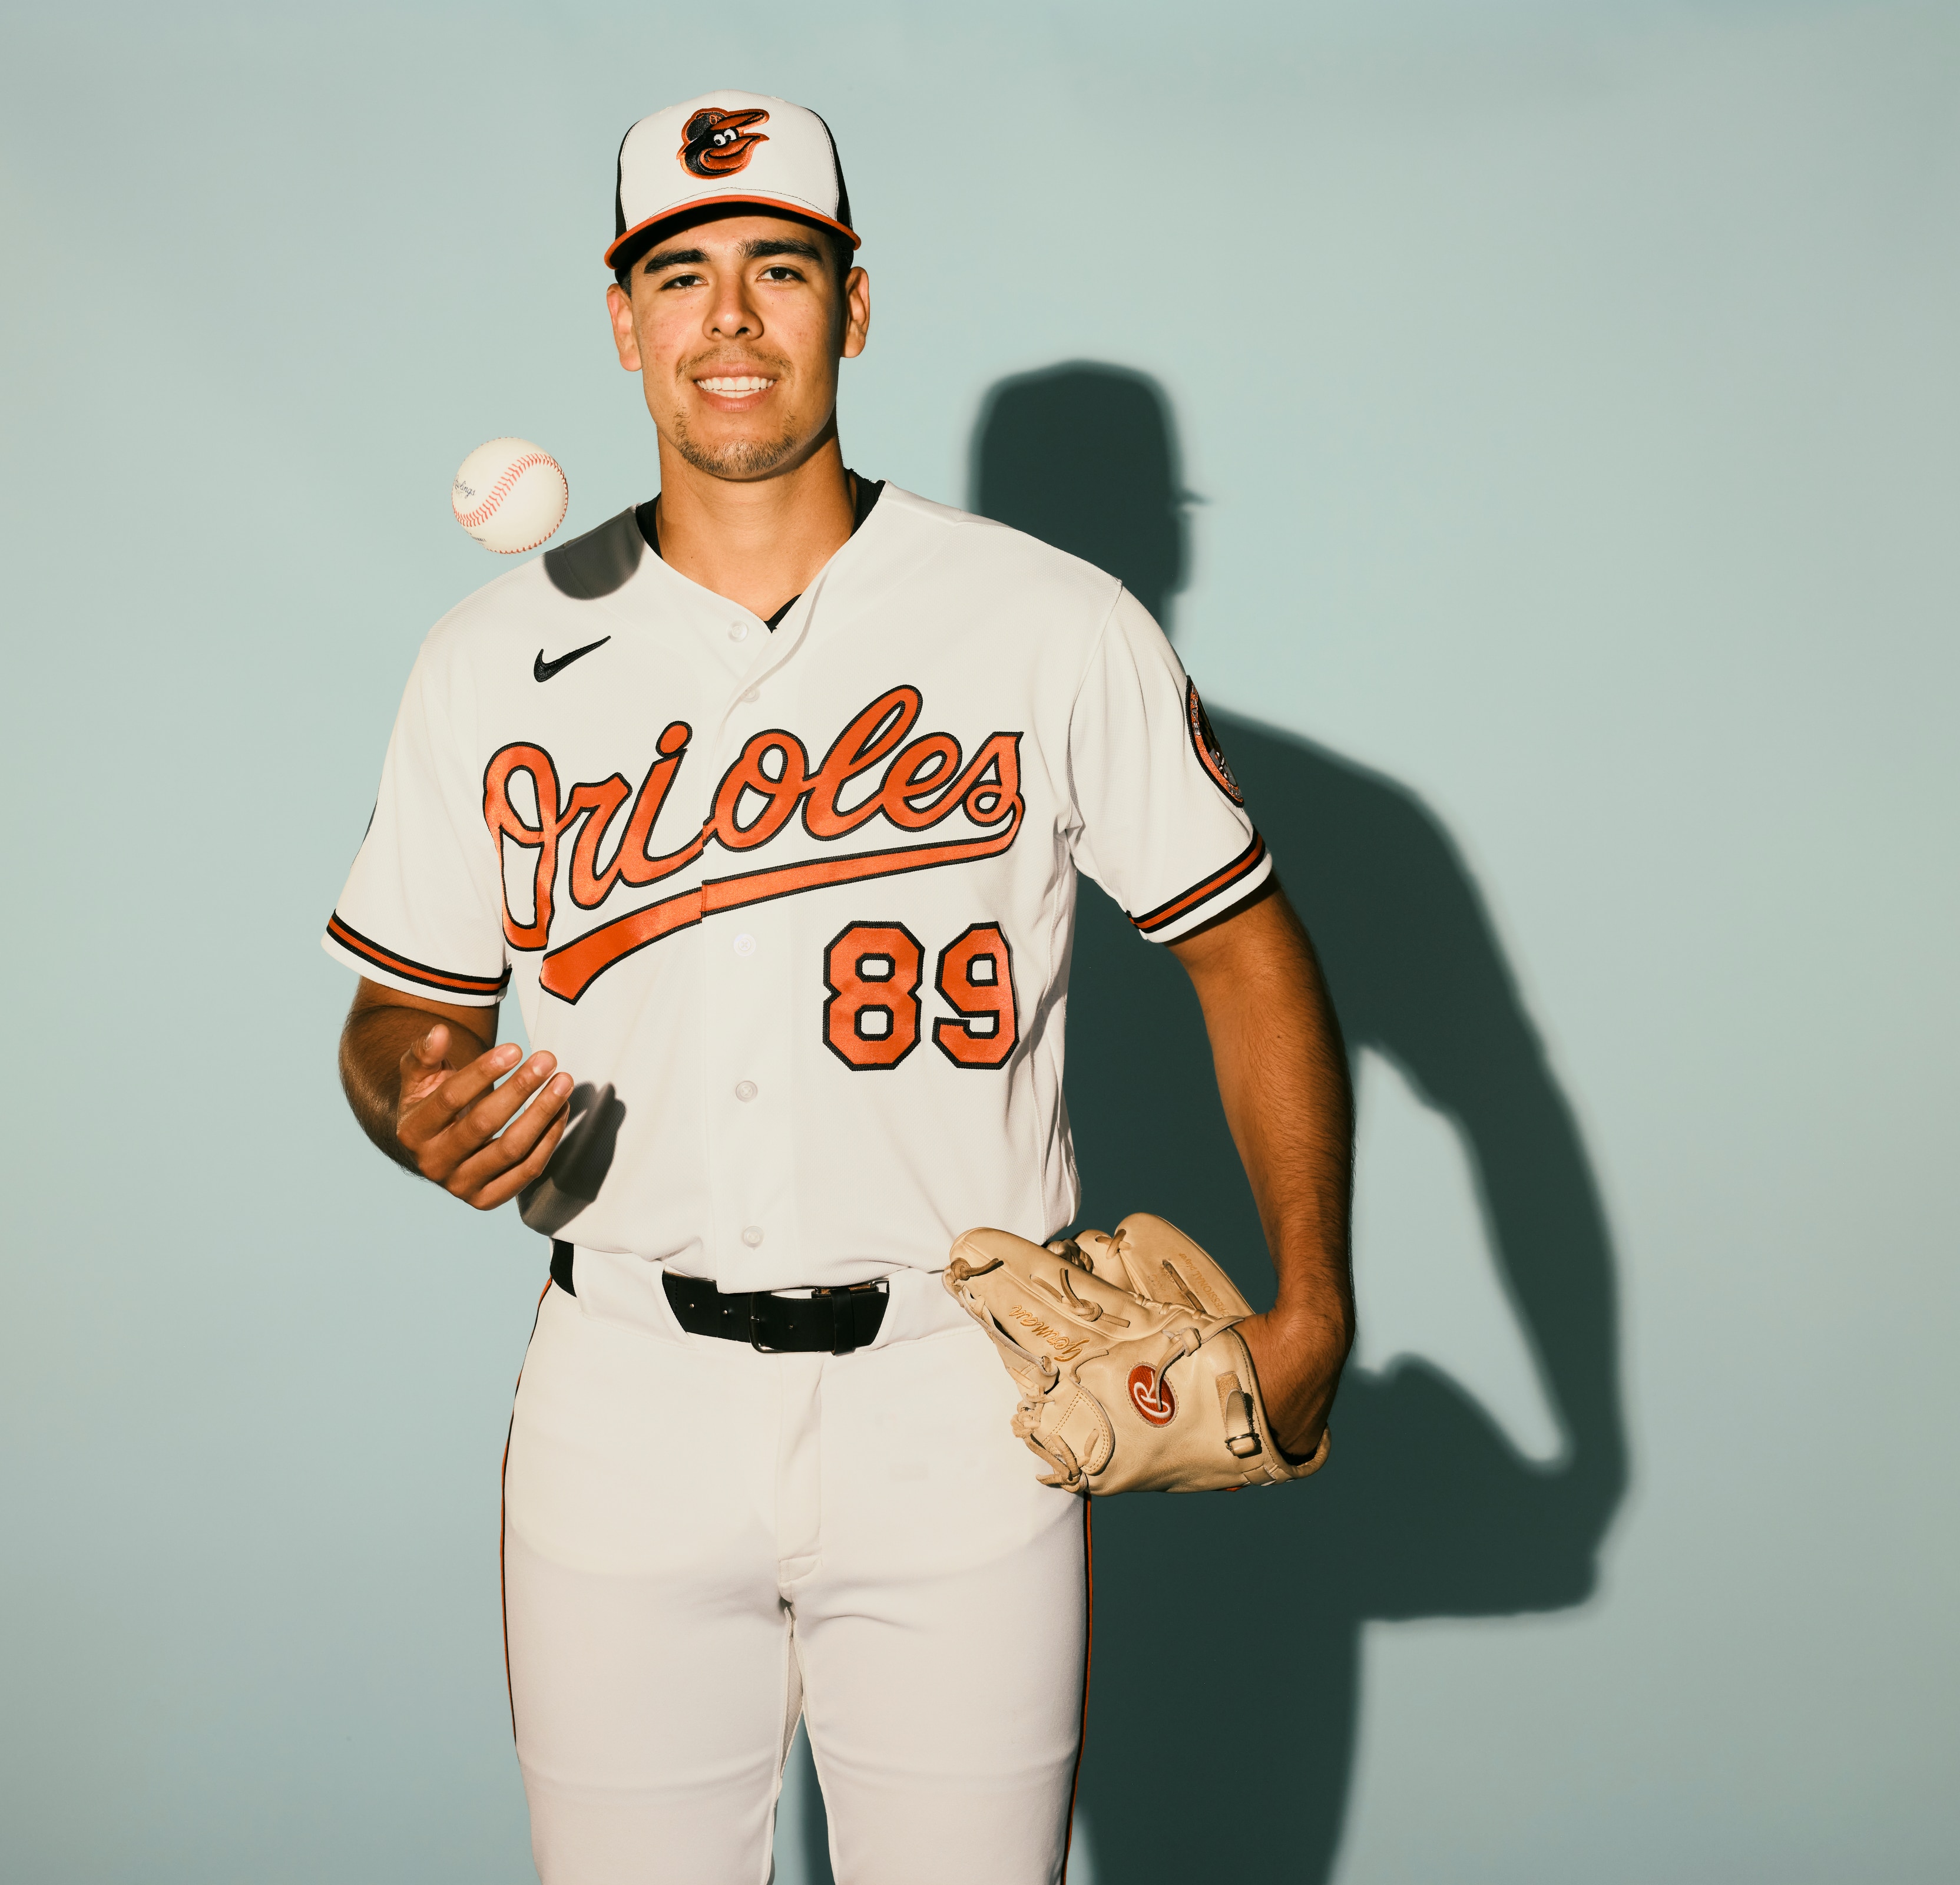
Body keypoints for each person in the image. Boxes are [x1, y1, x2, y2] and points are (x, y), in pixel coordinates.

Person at [324, 90, 1354, 1885]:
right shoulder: (489, 655)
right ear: (623, 319)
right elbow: (395, 1019)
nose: (729, 317)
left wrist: (1317, 1293)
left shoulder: (1051, 622)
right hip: (625, 1394)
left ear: (853, 306)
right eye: (682, 275)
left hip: (963, 1397)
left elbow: (1242, 941)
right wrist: (415, 1105)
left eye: (780, 269)